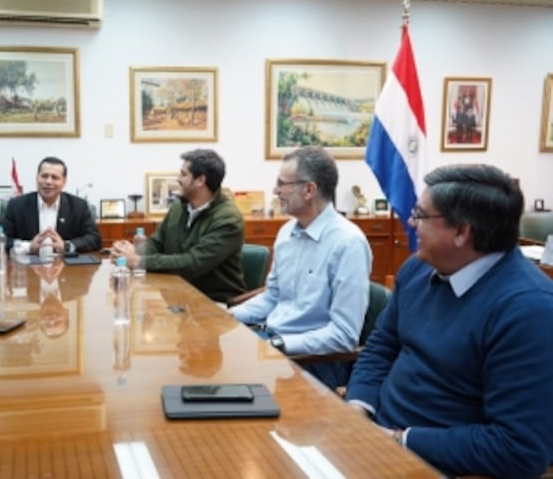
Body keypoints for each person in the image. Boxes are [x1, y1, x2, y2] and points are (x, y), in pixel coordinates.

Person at [345, 164, 553, 478]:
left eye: (420, 215)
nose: (411, 223)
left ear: (461, 232)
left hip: (435, 464)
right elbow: (382, 347)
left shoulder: (528, 311)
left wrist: (401, 440)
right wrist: (358, 406)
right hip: (375, 442)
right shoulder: (417, 270)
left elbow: (518, 448)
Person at [229, 146, 371, 389]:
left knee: (230, 386)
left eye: (282, 184)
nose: (275, 191)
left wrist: (278, 344)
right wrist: (226, 315)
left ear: (309, 190)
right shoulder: (287, 233)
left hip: (315, 361)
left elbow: (344, 336)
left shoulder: (348, 243)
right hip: (273, 342)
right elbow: (273, 297)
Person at [112, 149, 246, 303]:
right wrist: (127, 253)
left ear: (200, 180)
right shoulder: (179, 206)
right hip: (176, 294)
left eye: (183, 174)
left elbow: (192, 263)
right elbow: (157, 242)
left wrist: (137, 261)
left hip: (214, 303)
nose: (178, 179)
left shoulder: (228, 220)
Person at [2, 156, 101, 255]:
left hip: (66, 267)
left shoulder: (78, 206)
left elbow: (94, 239)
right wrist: (29, 247)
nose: (48, 182)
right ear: (37, 178)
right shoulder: (16, 206)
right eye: (44, 176)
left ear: (64, 182)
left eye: (55, 177)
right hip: (28, 266)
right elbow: (2, 240)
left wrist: (66, 246)